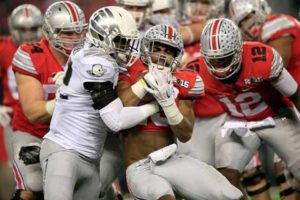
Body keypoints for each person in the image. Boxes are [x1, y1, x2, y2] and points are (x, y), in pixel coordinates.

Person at [39, 6, 161, 200]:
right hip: (65, 151)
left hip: (90, 157)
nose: (127, 48)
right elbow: (115, 121)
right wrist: (154, 106)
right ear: (103, 37)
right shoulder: (97, 63)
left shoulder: (90, 52)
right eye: (121, 41)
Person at [117, 24, 242, 200]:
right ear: (145, 50)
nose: (161, 56)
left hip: (171, 160)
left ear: (176, 56)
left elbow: (185, 134)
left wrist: (168, 103)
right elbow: (119, 107)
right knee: (164, 197)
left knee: (230, 193)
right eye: (156, 49)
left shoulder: (185, 81)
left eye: (168, 51)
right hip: (140, 167)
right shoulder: (128, 72)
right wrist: (145, 84)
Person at [186, 17, 300, 200]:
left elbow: (295, 94)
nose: (220, 67)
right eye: (214, 60)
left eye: (225, 59)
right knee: (225, 182)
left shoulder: (262, 57)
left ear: (239, 49)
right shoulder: (196, 71)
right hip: (238, 123)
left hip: (278, 117)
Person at [11, 1, 87, 199]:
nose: (75, 39)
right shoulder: (31, 54)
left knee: (104, 187)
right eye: (67, 33)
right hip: (35, 133)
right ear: (49, 32)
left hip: (76, 136)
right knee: (33, 184)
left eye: (79, 32)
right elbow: (33, 113)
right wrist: (65, 98)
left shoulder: (90, 55)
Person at [229, 1, 300, 198]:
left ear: (259, 10)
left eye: (248, 17)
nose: (247, 25)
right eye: (241, 22)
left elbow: (276, 67)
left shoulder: (277, 24)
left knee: (289, 170)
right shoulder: (257, 39)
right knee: (284, 172)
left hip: (294, 102)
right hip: (288, 104)